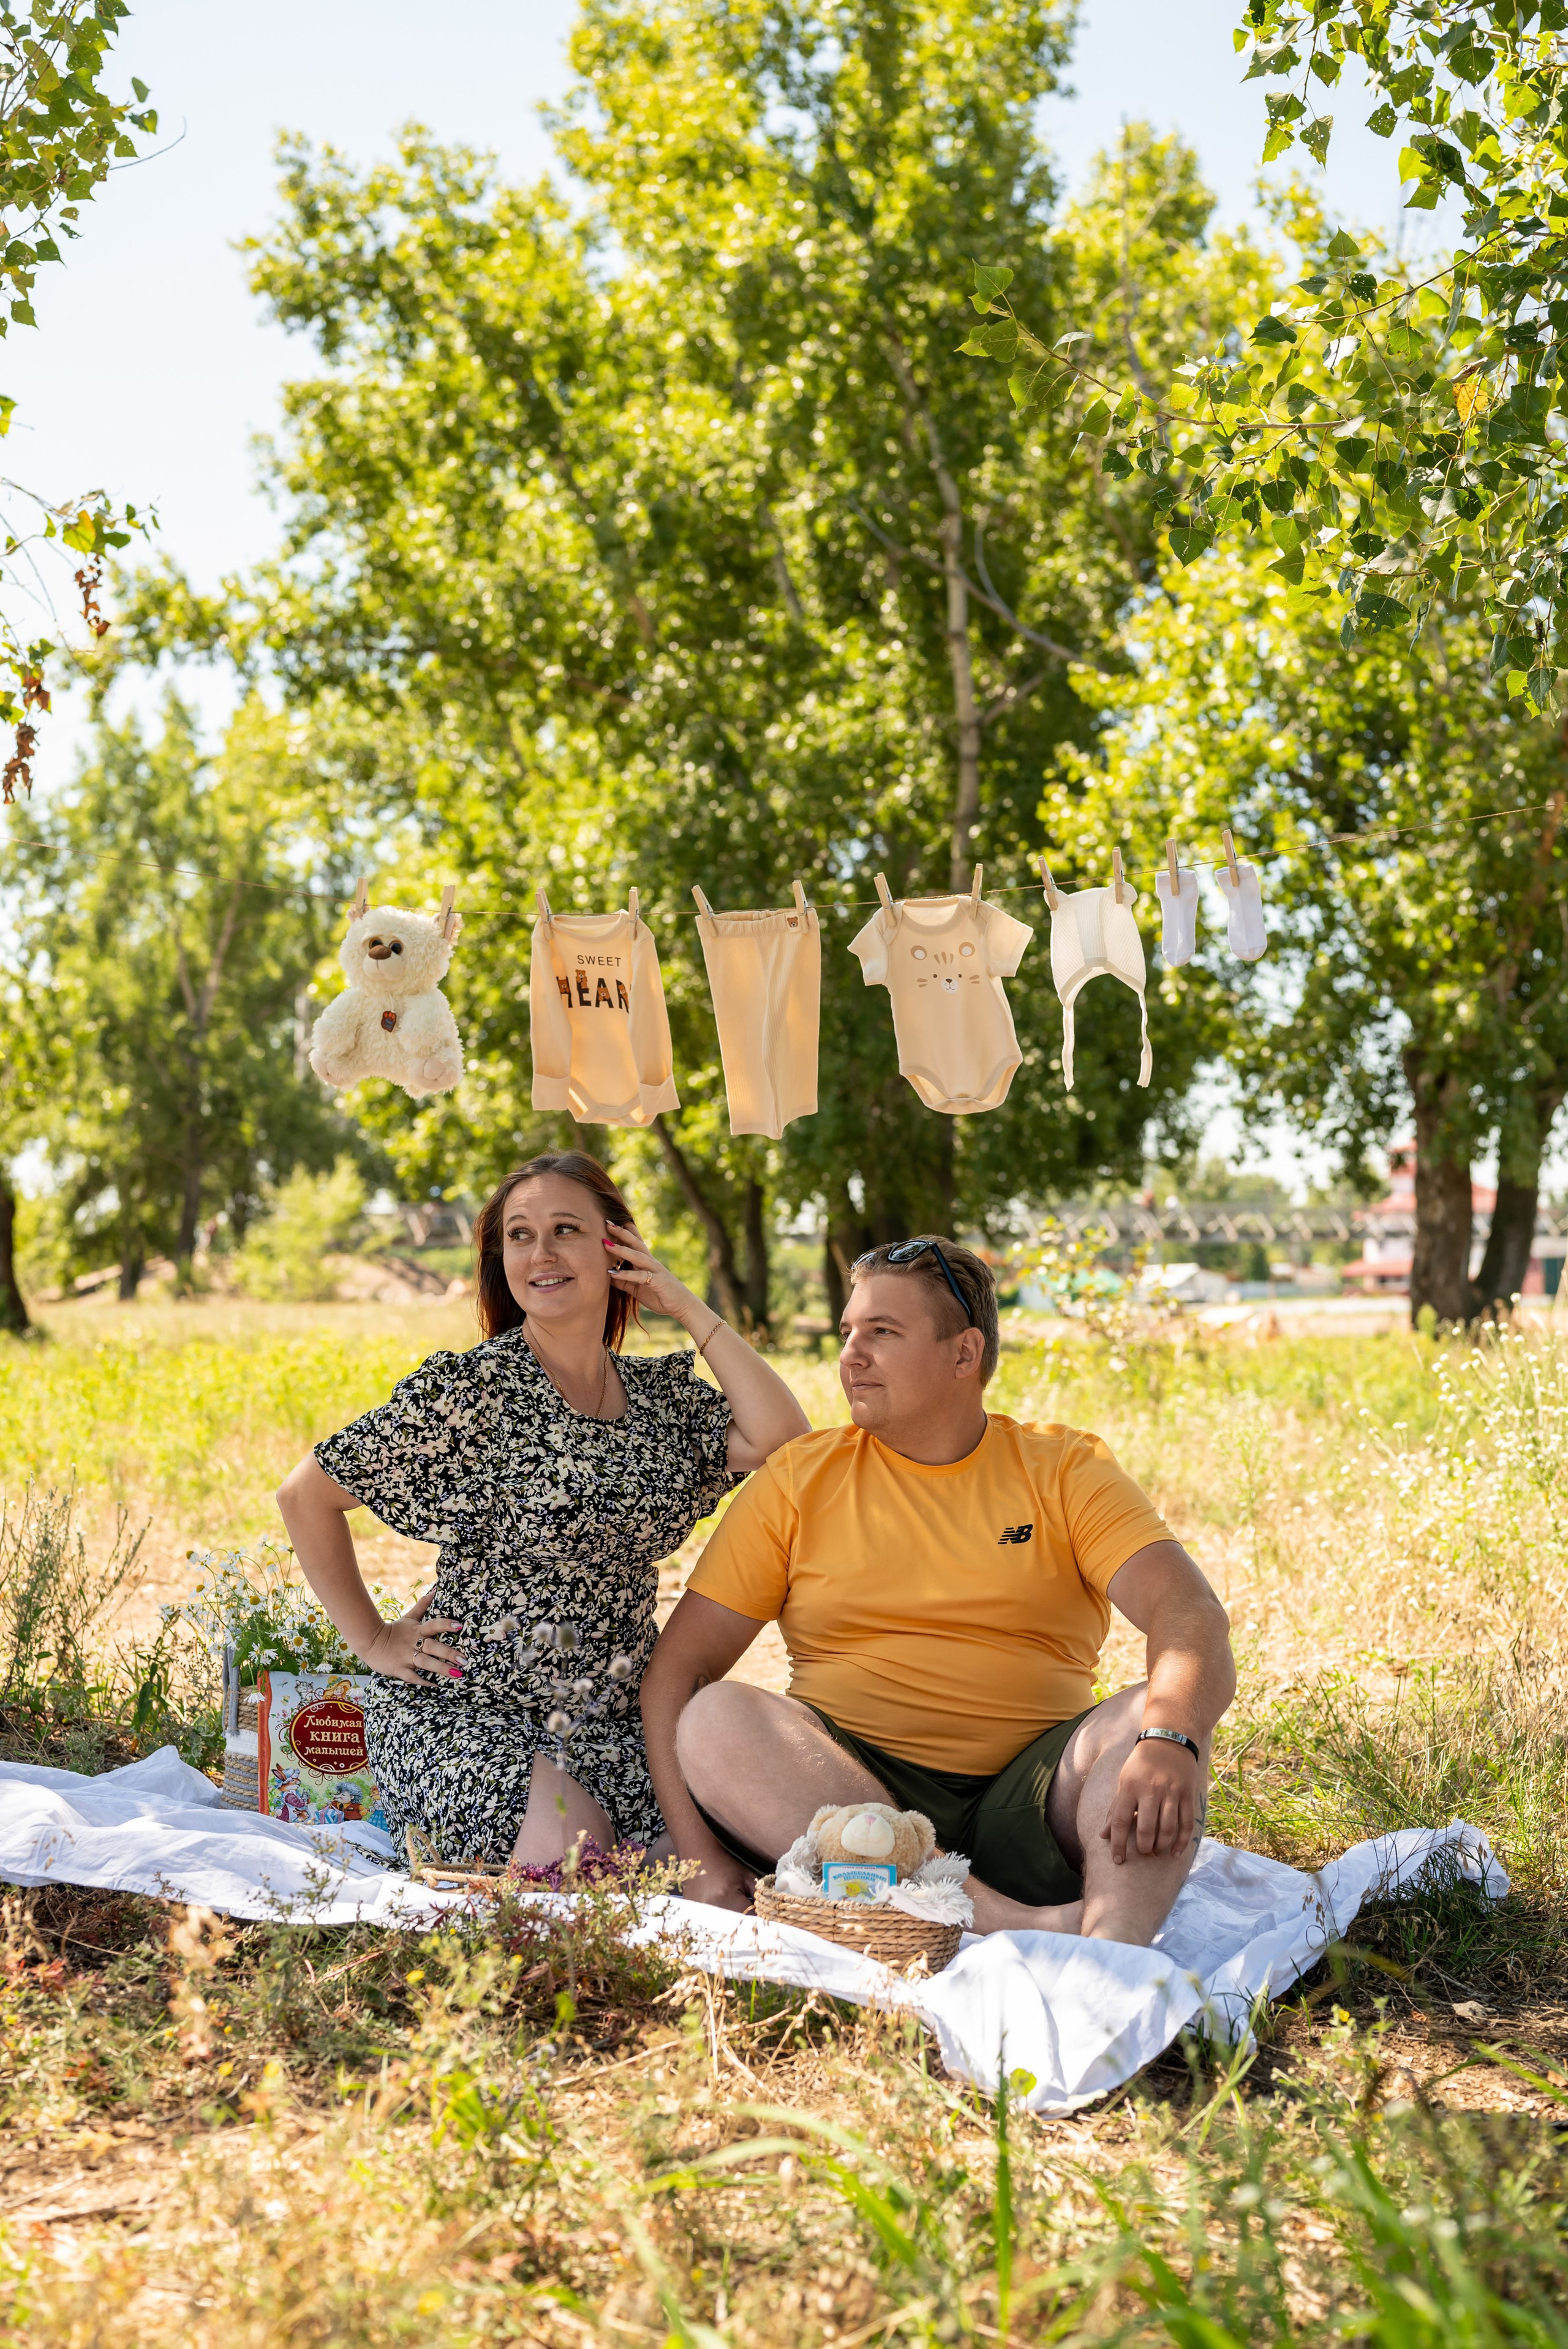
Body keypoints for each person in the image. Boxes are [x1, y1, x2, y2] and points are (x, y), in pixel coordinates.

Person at [641, 1237, 1235, 1944]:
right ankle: (1016, 1924)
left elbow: (1186, 1608)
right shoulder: (799, 1479)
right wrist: (697, 1854)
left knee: (1155, 1715)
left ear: (964, 1354)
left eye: (882, 1333)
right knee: (716, 1717)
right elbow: (676, 1674)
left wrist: (1173, 1735)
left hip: (1035, 1798)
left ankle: (1113, 1953)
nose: (851, 1355)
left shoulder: (1062, 1467)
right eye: (848, 1333)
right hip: (848, 1809)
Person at [276, 1150, 809, 1871]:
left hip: (620, 1720)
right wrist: (373, 1640)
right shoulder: (474, 1390)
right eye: (520, 1236)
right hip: (471, 1712)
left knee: (731, 1847)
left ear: (614, 1246)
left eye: (566, 1229)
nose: (541, 1253)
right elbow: (306, 1493)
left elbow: (784, 1440)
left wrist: (687, 1305)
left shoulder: (659, 1401)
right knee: (579, 1856)